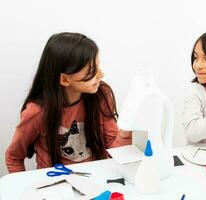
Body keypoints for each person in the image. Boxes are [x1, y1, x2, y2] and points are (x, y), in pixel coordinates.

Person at [5, 32, 132, 173]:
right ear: (65, 80)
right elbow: (13, 157)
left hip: (97, 180)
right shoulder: (37, 112)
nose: (101, 75)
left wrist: (126, 132)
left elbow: (114, 151)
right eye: (91, 71)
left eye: (98, 66)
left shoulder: (100, 95)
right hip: (55, 185)